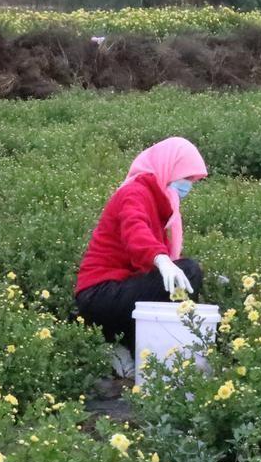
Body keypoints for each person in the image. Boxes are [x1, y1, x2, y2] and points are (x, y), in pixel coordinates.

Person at [76, 138, 208, 374]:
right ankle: (117, 341)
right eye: (186, 178)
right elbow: (135, 231)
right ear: (168, 168)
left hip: (116, 291)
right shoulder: (135, 193)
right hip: (99, 294)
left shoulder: (158, 203)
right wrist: (161, 259)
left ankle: (130, 348)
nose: (188, 186)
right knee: (186, 272)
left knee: (182, 278)